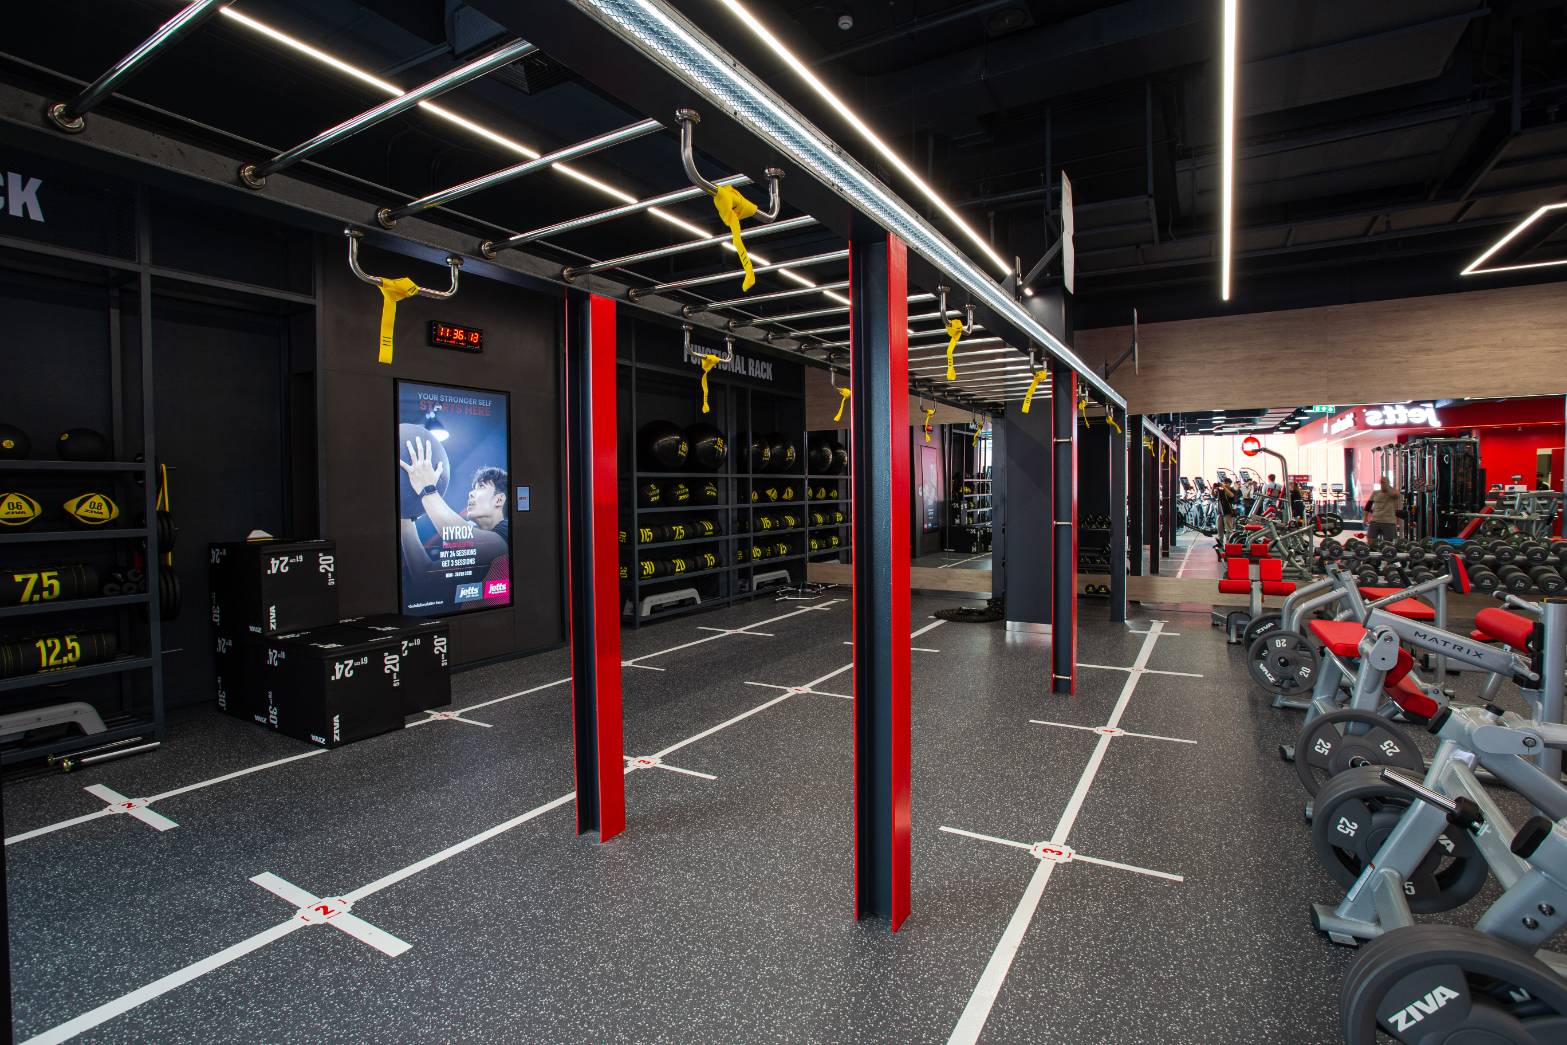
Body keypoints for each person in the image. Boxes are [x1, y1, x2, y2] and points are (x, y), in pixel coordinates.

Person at [399, 437, 511, 607]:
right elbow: (424, 576)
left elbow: (458, 536)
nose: (471, 493)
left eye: (481, 487)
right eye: (473, 488)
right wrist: (405, 515)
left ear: (499, 500)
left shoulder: (508, 533)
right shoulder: (475, 551)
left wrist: (426, 487)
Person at [1366, 478, 1401, 546]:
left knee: (1388, 544)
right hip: (1375, 520)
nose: (1383, 484)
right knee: (1370, 541)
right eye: (1381, 483)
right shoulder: (1375, 492)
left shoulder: (1393, 492)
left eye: (1384, 482)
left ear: (1388, 483)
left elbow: (1396, 495)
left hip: (1389, 521)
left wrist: (1387, 486)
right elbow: (1368, 505)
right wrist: (1365, 518)